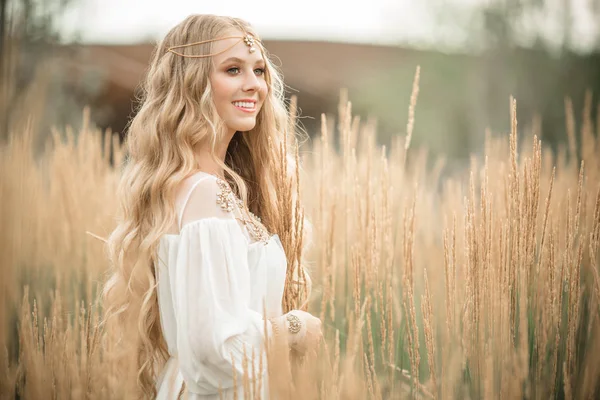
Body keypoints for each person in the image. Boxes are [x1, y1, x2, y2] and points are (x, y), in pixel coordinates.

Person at [101, 14, 323, 400]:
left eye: (258, 70)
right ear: (192, 83)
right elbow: (212, 349)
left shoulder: (209, 189)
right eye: (233, 69)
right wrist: (294, 327)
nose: (253, 85)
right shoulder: (202, 192)